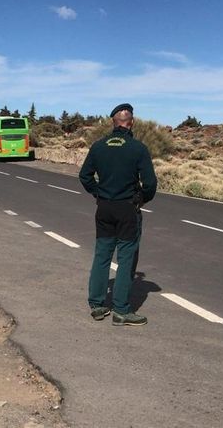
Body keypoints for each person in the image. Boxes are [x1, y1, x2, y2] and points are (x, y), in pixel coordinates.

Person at [79, 103, 157, 326]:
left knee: (102, 255)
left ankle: (97, 304)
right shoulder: (137, 148)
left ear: (113, 122)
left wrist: (98, 193)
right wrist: (141, 199)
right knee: (126, 258)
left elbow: (85, 176)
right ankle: (121, 310)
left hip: (104, 207)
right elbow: (150, 183)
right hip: (126, 209)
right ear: (131, 122)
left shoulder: (98, 146)